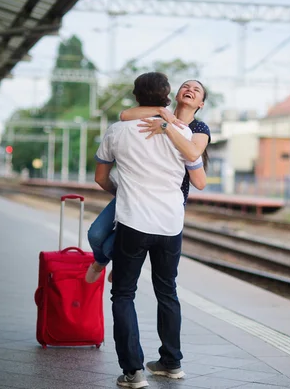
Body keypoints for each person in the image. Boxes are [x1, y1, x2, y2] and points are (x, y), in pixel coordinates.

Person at [94, 72, 202, 388]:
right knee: (167, 290)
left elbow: (101, 178)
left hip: (133, 222)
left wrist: (124, 192)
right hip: (170, 224)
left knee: (123, 293)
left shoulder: (117, 131)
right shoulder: (182, 132)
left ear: (135, 95)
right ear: (168, 96)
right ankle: (171, 362)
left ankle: (133, 372)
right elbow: (197, 173)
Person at [86, 79, 211, 284]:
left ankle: (118, 262)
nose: (190, 90)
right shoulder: (161, 113)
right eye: (185, 87)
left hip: (166, 198)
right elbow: (124, 116)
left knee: (116, 246)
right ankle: (102, 261)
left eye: (197, 90)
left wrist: (166, 127)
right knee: (96, 234)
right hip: (136, 189)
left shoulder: (198, 128)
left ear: (201, 104)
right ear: (176, 96)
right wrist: (161, 112)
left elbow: (192, 153)